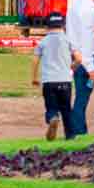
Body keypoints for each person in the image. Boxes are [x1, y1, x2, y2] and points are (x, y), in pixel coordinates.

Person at [65, 0, 94, 137]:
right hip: (85, 58)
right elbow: (86, 39)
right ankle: (76, 132)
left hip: (76, 55)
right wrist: (91, 68)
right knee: (82, 98)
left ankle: (77, 130)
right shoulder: (87, 9)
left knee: (81, 97)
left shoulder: (76, 6)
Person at [32, 13, 79, 141]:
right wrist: (71, 67)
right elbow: (79, 58)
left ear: (47, 27)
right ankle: (70, 135)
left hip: (49, 81)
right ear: (63, 25)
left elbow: (35, 60)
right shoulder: (68, 40)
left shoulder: (43, 42)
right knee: (66, 109)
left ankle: (53, 117)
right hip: (65, 81)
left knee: (51, 106)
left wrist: (34, 77)